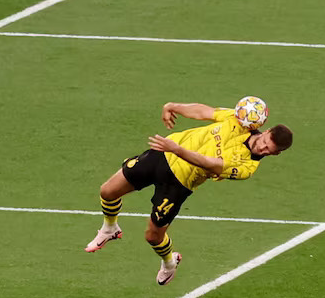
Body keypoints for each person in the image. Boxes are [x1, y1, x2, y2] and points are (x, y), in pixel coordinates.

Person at [86, 100, 293, 284]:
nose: (263, 150)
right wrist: (173, 106)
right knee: (108, 191)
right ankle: (109, 229)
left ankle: (169, 262)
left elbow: (209, 163)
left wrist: (176, 149)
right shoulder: (241, 120)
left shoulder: (247, 167)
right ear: (265, 132)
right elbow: (205, 112)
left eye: (269, 151)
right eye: (265, 144)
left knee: (153, 236)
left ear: (277, 153)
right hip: (162, 154)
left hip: (178, 183)